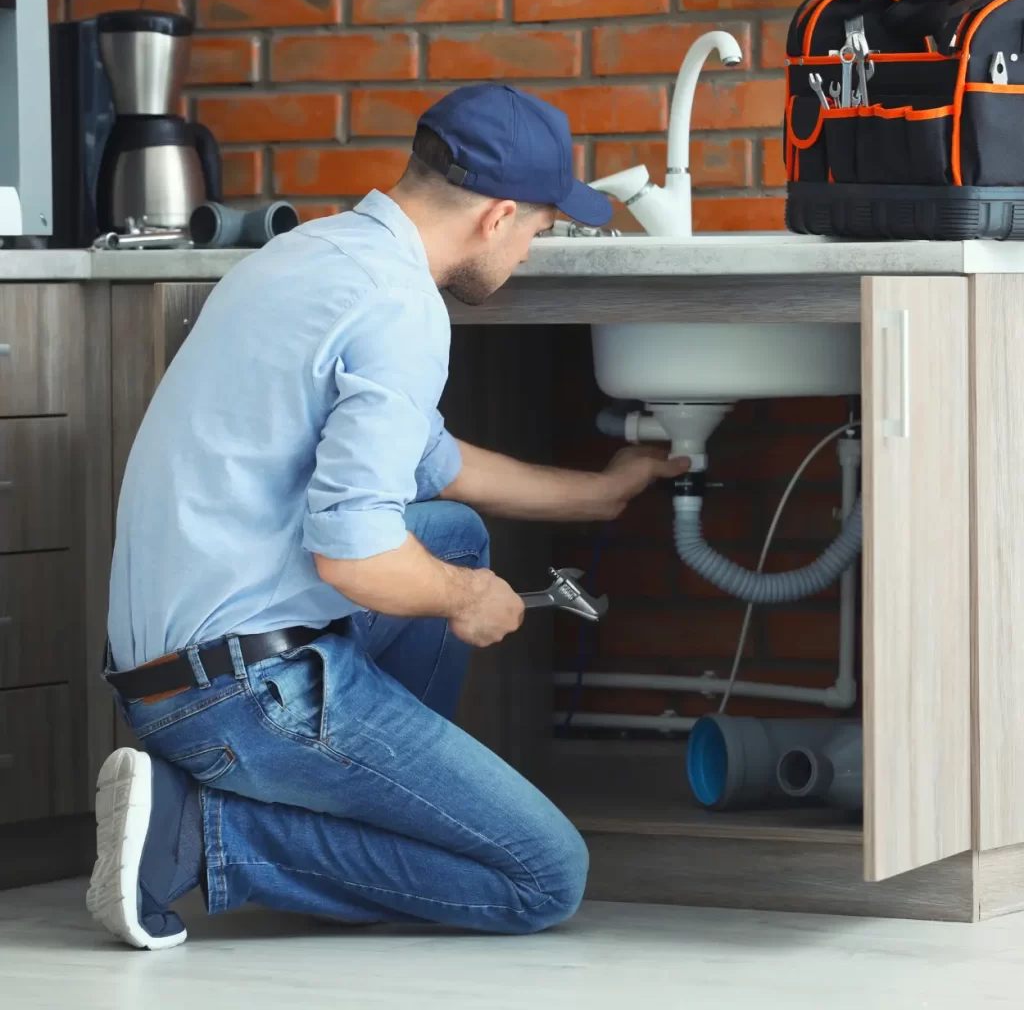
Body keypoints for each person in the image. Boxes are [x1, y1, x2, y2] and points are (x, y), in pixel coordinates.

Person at [87, 83, 689, 951]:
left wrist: (596, 493)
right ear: (499, 217)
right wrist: (464, 600)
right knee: (543, 877)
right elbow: (357, 561)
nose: (529, 251)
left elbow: (431, 462)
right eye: (539, 231)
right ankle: (198, 834)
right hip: (237, 695)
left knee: (452, 532)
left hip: (163, 667)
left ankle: (360, 802)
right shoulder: (403, 309)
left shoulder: (315, 254)